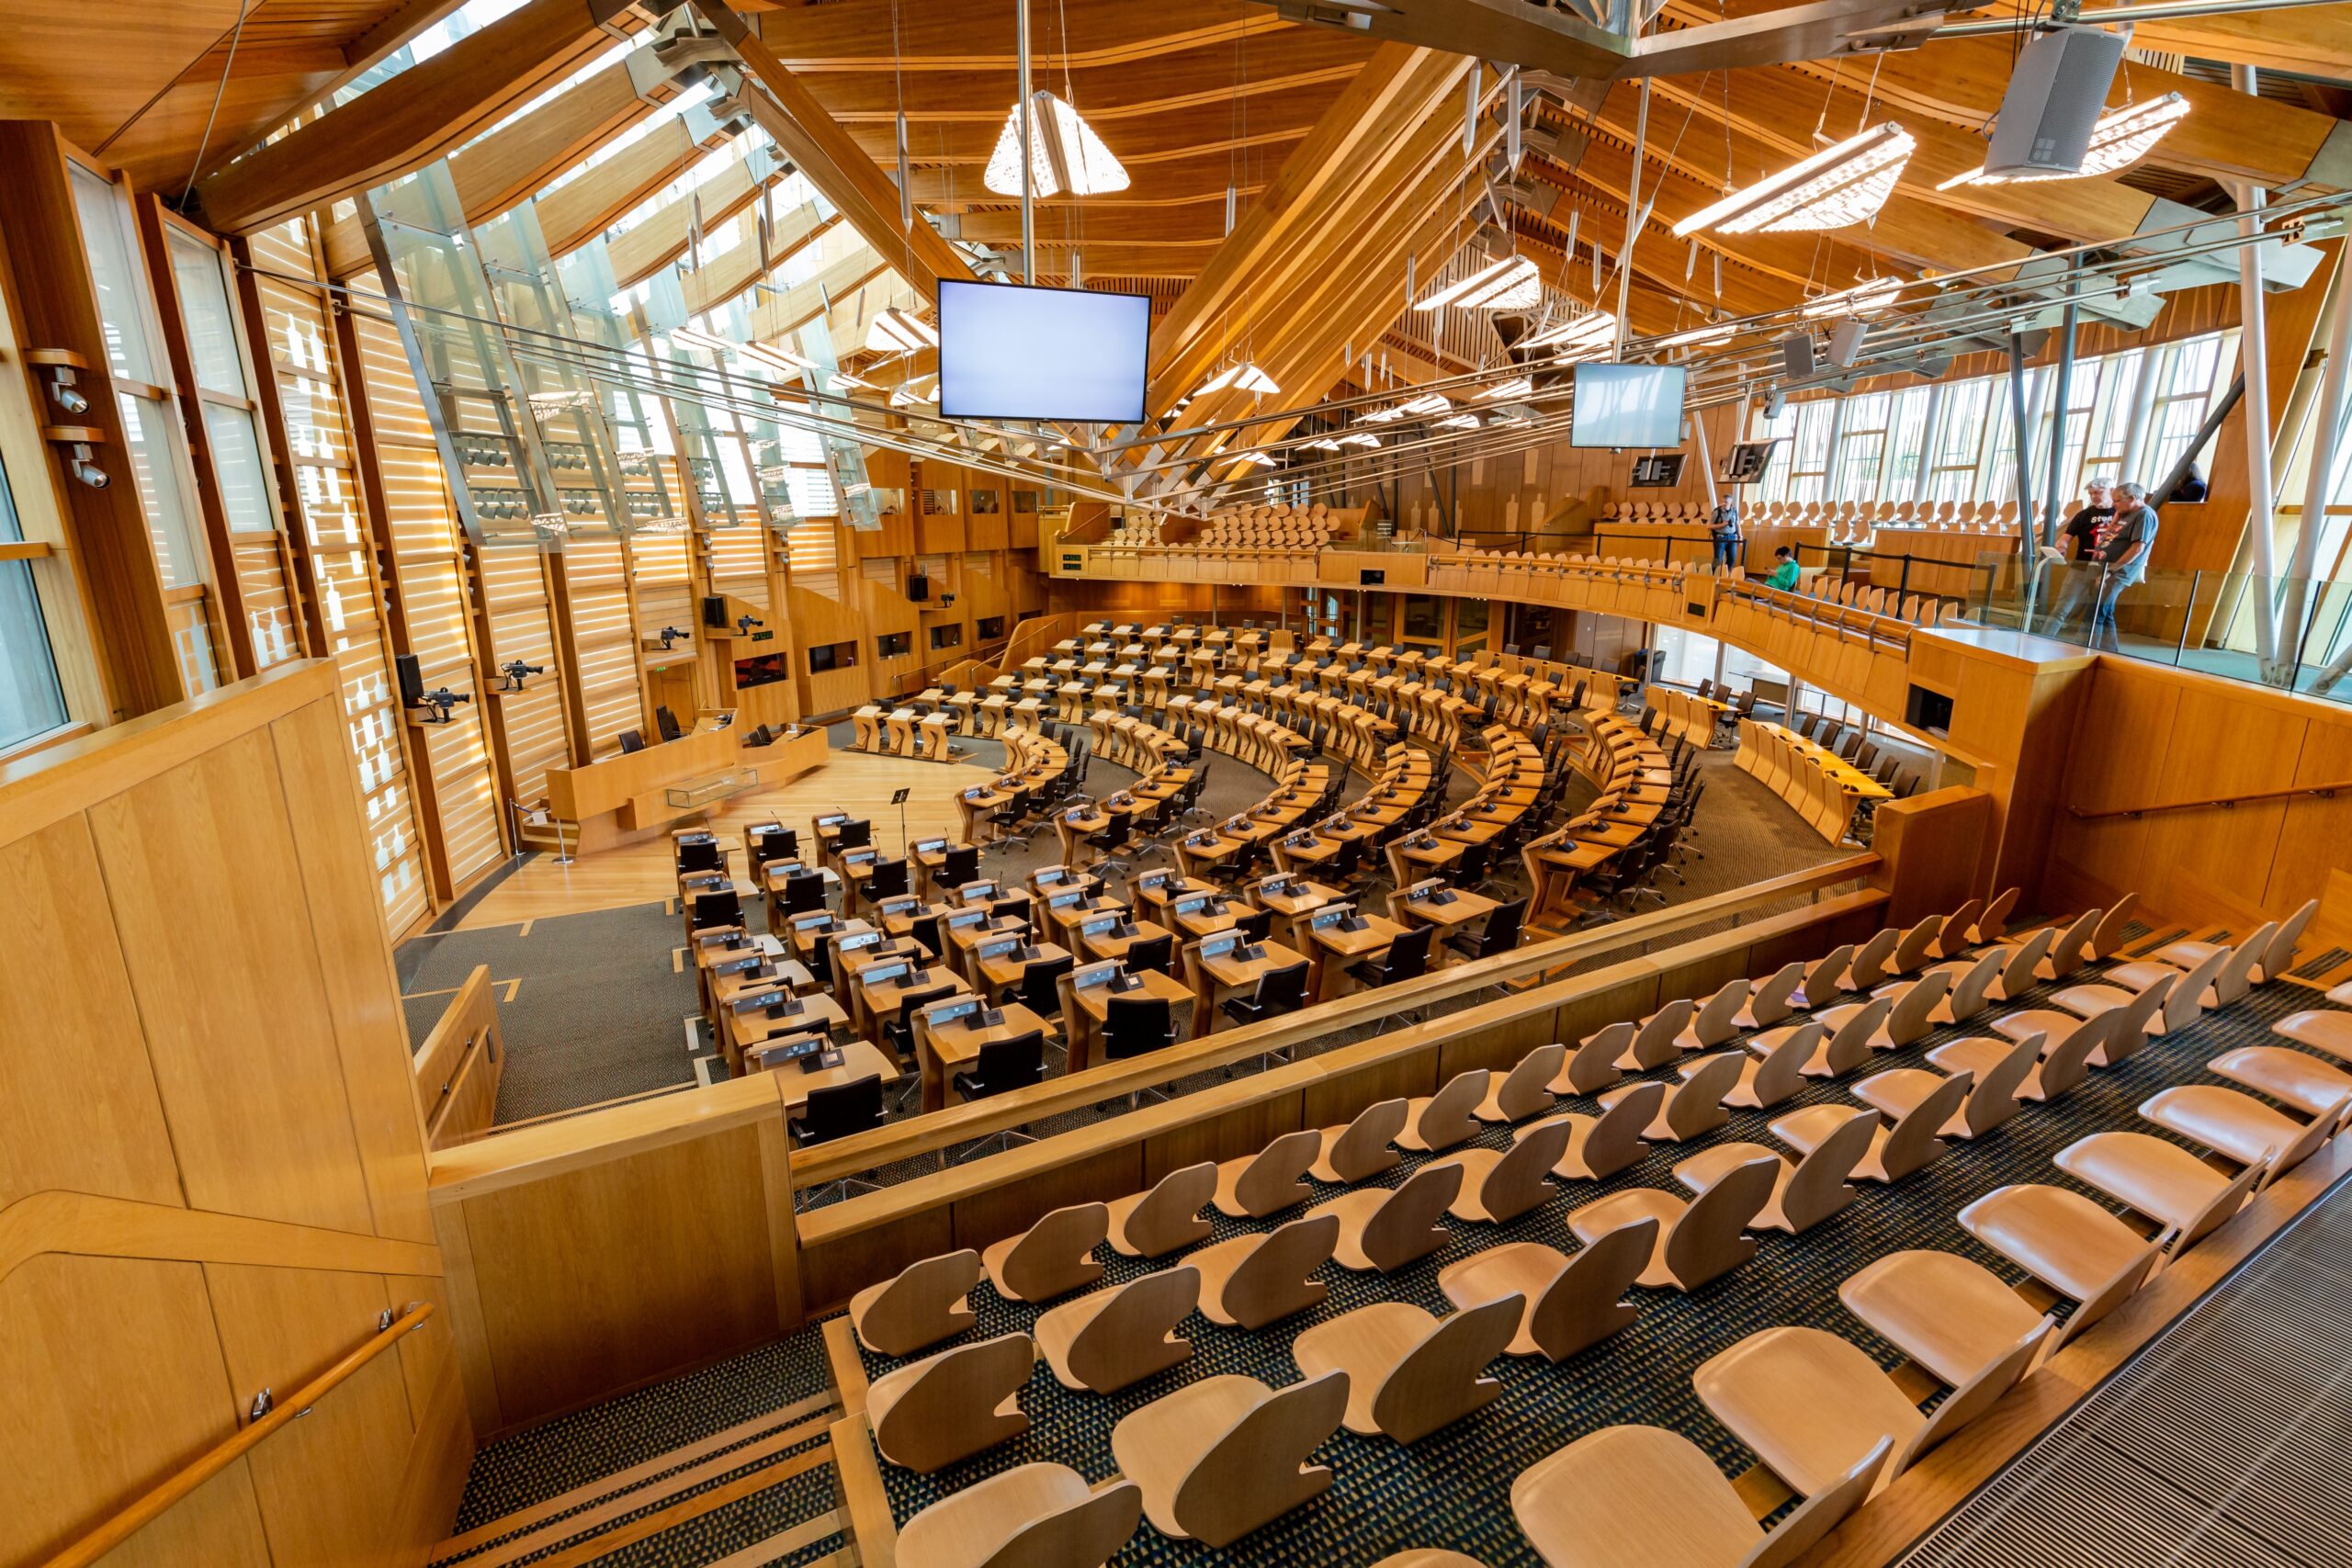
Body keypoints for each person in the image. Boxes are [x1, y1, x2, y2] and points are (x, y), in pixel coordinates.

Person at [2087, 480, 2159, 651]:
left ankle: (2091, 648)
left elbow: (2137, 548)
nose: (2114, 504)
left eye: (2117, 501)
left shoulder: (2144, 515)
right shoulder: (2124, 513)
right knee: (2107, 611)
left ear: (2133, 498)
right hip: (2106, 568)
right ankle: (2111, 650)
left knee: (2099, 610)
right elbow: (2108, 536)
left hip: (2118, 572)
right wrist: (2116, 517)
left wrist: (2110, 571)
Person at [2039, 479, 2114, 636]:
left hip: (2106, 570)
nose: (2094, 496)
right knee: (2062, 607)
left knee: (2096, 613)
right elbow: (2066, 537)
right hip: (2081, 567)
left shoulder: (2119, 514)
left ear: (2111, 491)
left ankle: (2088, 647)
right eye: (2091, 493)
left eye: (2098, 492)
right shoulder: (2084, 515)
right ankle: (2044, 638)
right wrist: (2061, 547)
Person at [1708, 496, 1743, 572]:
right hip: (1720, 537)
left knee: (1732, 558)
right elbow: (1708, 526)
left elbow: (1737, 525)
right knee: (1718, 559)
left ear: (1731, 503)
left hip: (1732, 538)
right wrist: (1722, 525)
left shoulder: (1734, 511)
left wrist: (1740, 537)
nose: (1723, 503)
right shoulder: (1717, 512)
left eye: (1726, 502)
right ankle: (1713, 575)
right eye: (1722, 501)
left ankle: (1725, 573)